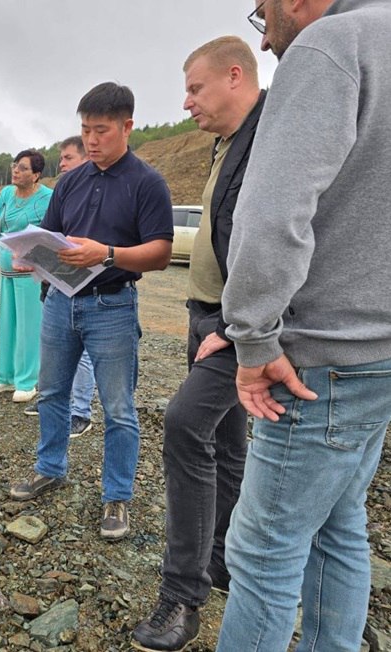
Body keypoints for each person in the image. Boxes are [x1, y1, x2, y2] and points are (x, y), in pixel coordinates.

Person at [214, 1, 391, 649]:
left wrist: (252, 338)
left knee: (262, 550)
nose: (265, 42)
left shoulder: (329, 46)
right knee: (339, 525)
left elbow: (269, 218)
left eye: (262, 16)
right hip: (377, 357)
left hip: (322, 357)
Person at [131, 36, 265, 652]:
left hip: (233, 326)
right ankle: (220, 557)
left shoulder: (269, 140)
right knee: (227, 442)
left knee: (185, 425)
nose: (186, 102)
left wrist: (234, 330)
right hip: (201, 311)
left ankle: (182, 596)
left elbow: (281, 246)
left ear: (235, 76)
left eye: (195, 88)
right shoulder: (225, 142)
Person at [9, 82, 173, 543]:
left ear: (127, 127)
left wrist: (108, 253)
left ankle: (117, 496)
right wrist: (34, 257)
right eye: (85, 130)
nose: (92, 140)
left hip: (113, 306)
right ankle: (50, 468)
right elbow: (55, 236)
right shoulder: (72, 181)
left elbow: (160, 252)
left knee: (118, 408)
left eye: (101, 130)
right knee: (53, 392)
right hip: (61, 302)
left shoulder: (147, 183)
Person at [24, 137, 95, 439]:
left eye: (67, 158)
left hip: (92, 290)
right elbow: (51, 232)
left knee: (84, 355)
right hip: (58, 285)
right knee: (57, 350)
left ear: (86, 158)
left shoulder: (96, 194)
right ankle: (54, 402)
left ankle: (81, 411)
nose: (61, 164)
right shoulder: (64, 192)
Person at [0, 149, 53, 403]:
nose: (16, 171)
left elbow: (54, 233)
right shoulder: (8, 194)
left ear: (36, 175)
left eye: (23, 168)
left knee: (29, 326)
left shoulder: (48, 197)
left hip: (31, 271)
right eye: (15, 166)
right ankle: (6, 376)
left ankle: (28, 381)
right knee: (8, 323)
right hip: (8, 269)